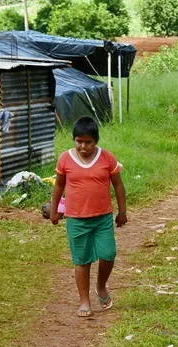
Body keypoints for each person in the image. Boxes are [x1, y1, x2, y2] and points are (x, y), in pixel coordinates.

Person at [50, 116, 127, 317]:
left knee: (108, 253)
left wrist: (122, 211)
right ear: (74, 140)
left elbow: (118, 185)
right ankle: (84, 301)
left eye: (88, 142)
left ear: (96, 141)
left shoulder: (107, 158)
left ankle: (101, 286)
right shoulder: (65, 159)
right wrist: (54, 209)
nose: (83, 146)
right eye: (79, 141)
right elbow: (59, 185)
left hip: (102, 218)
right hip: (76, 218)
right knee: (82, 260)